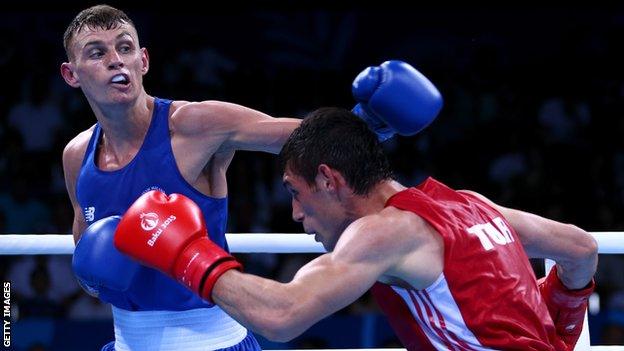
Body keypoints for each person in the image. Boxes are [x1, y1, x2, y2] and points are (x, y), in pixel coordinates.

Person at [60, 4, 442, 351]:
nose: (116, 61)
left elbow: (303, 137)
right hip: (126, 343)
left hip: (215, 342)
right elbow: (87, 266)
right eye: (97, 53)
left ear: (144, 60)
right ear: (72, 75)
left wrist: (369, 124)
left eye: (125, 48)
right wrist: (95, 272)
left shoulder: (194, 125)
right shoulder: (77, 156)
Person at [114, 107, 598, 350]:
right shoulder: (469, 203)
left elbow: (283, 317)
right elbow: (579, 248)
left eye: (296, 192)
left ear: (329, 179)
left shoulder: (387, 232)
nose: (297, 214)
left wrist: (186, 253)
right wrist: (562, 321)